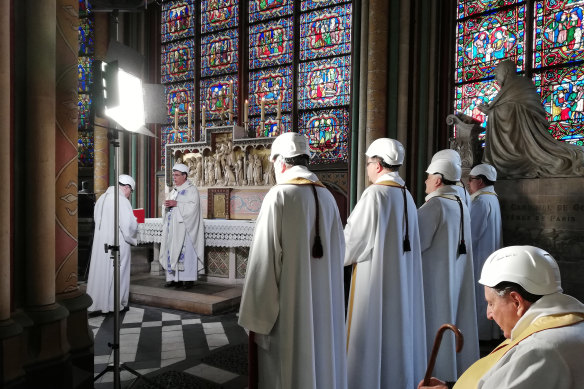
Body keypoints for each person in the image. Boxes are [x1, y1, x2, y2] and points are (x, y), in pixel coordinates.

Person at [238, 132, 347, 389]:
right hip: (325, 307)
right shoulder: (329, 197)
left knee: (289, 370)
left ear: (280, 162)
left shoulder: (279, 196)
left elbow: (263, 265)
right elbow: (340, 252)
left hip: (290, 312)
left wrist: (256, 317)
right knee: (321, 361)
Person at [419, 245, 584, 389]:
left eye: (491, 303)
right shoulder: (569, 322)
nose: (488, 315)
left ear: (517, 302)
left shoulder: (538, 350)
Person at [344, 138, 427, 388]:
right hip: (400, 280)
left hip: (375, 279)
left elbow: (352, 241)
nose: (367, 168)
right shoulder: (407, 195)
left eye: (369, 163)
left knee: (371, 331)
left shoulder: (375, 194)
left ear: (378, 165)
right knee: (395, 331)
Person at [418, 157, 480, 382]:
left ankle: (435, 372)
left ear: (437, 180)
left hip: (433, 280)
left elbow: (417, 243)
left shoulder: (435, 205)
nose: (425, 182)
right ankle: (451, 370)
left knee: (434, 321)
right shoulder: (460, 203)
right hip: (453, 276)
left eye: (427, 177)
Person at [478, 60, 584, 178]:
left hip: (525, 140)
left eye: (497, 73)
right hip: (514, 138)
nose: (496, 77)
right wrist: (491, 110)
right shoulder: (508, 89)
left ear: (505, 71)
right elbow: (508, 107)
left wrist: (492, 111)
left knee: (557, 161)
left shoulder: (522, 84)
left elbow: (527, 106)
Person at [87, 174, 138, 313]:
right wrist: (137, 226)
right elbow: (128, 226)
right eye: (130, 192)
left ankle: (100, 303)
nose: (129, 195)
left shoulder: (102, 198)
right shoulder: (121, 200)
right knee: (118, 271)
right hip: (118, 242)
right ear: (126, 187)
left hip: (101, 244)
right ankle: (116, 304)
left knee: (102, 273)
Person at [468, 163, 503, 341]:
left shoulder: (481, 201)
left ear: (480, 181)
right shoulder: (492, 198)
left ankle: (479, 334)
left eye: (471, 180)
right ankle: (487, 332)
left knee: (478, 296)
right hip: (488, 255)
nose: (469, 184)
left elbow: (471, 234)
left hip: (479, 256)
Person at [159, 163, 205, 289]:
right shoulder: (174, 190)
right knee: (172, 251)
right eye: (173, 175)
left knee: (186, 253)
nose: (174, 177)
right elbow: (170, 206)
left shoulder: (191, 190)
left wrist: (177, 204)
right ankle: (174, 279)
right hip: (173, 229)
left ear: (184, 176)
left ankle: (187, 280)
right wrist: (166, 206)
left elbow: (193, 208)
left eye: (177, 175)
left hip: (186, 229)